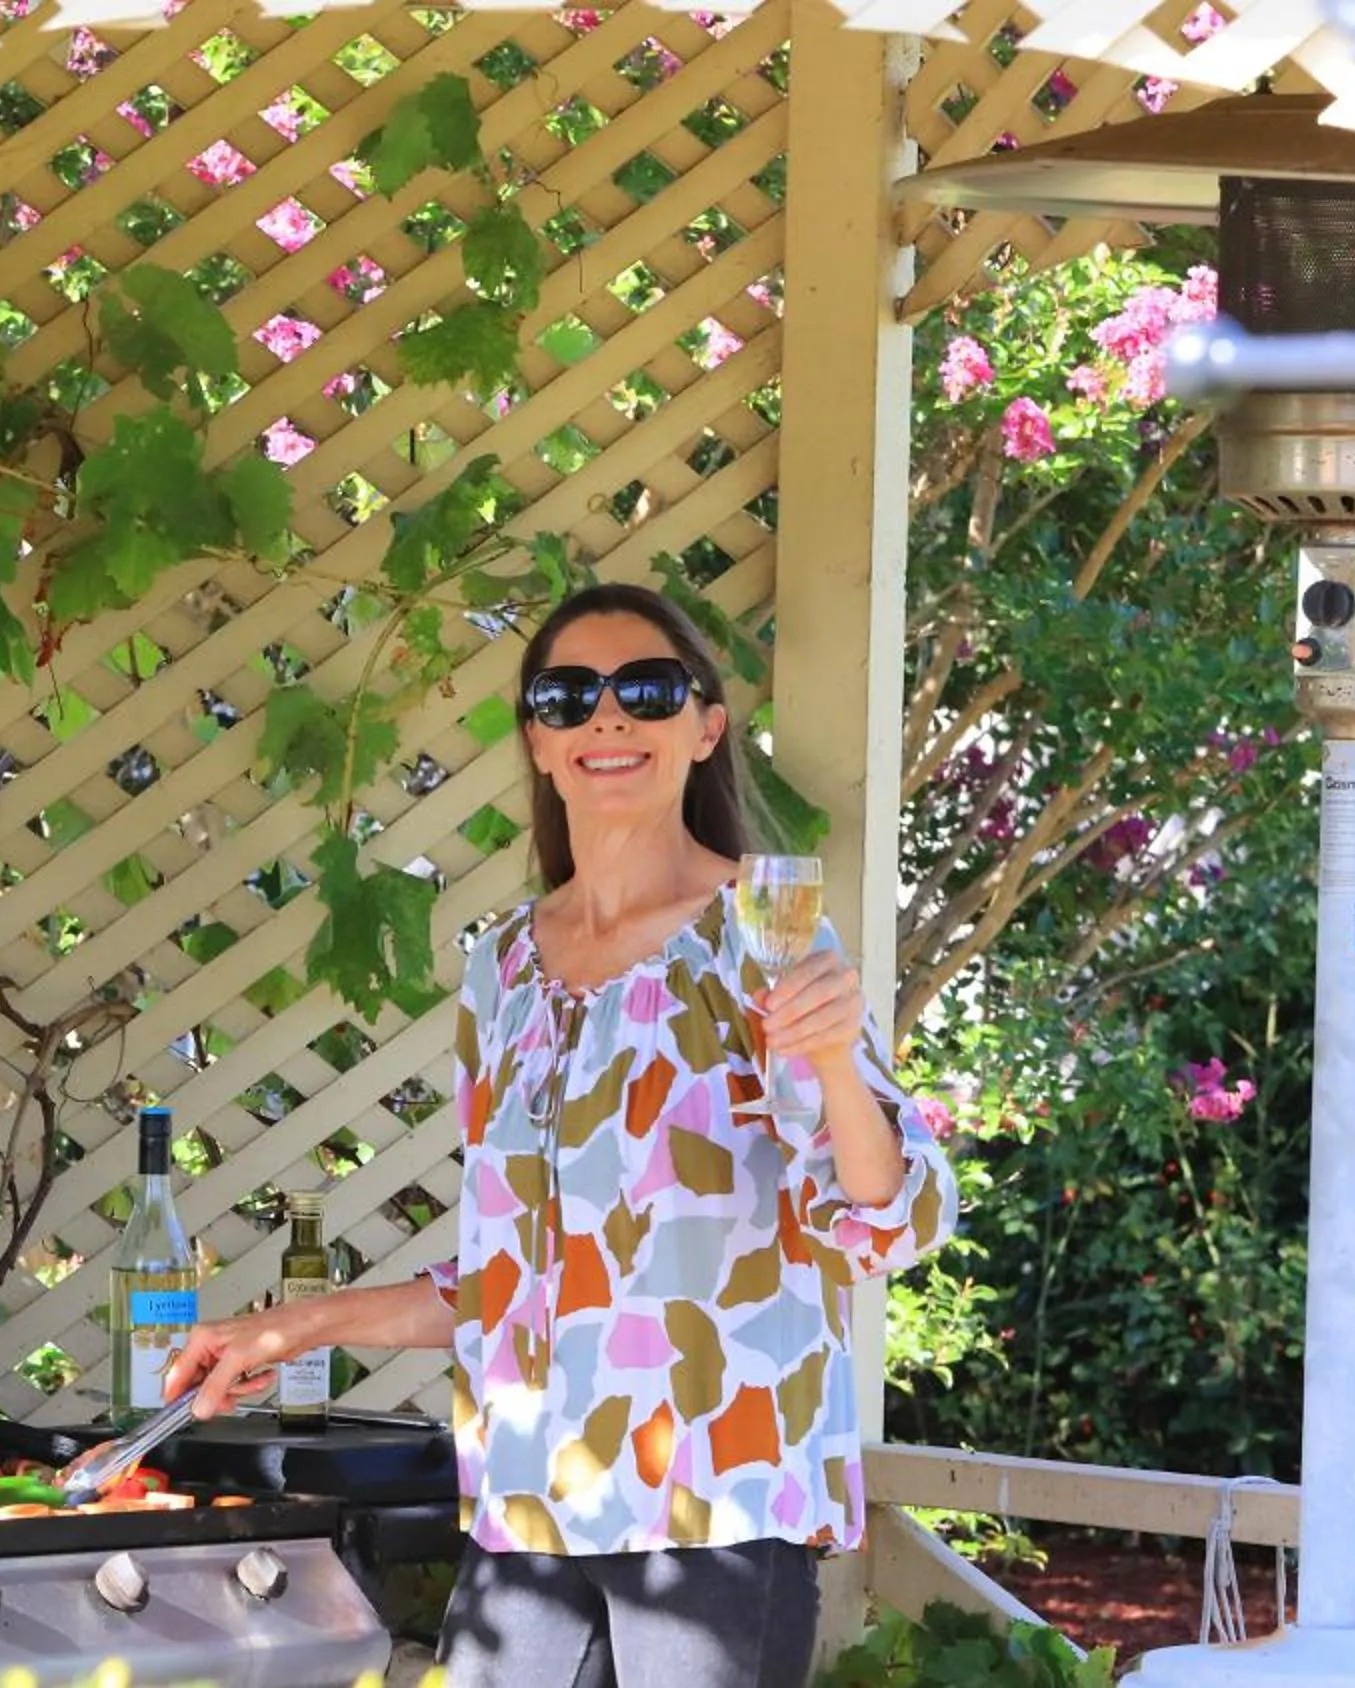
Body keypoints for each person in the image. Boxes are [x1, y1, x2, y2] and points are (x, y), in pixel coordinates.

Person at [162, 583, 960, 1688]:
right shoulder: (504, 967)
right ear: (539, 740)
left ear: (706, 727)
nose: (608, 716)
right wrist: (285, 1328)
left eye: (647, 689)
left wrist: (831, 1059)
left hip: (715, 1504)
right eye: (568, 695)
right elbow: (518, 1283)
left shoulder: (761, 937)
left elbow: (887, 1223)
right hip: (530, 1506)